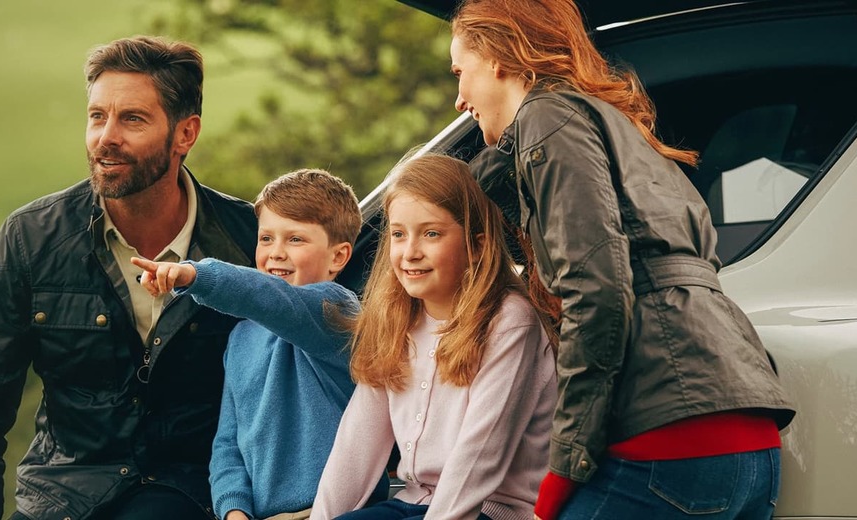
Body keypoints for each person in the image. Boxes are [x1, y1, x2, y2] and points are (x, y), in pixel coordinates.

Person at [447, 1, 798, 518]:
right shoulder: (619, 128)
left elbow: (598, 292)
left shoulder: (548, 116)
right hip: (749, 442)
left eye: (460, 73)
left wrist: (565, 464)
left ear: (498, 57)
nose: (459, 99)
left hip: (665, 446)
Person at [0, 35, 261, 520]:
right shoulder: (30, 239)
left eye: (132, 119)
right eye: (96, 116)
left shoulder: (248, 240)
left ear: (185, 134)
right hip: (62, 496)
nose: (106, 137)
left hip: (198, 495)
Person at [310, 155, 560, 520]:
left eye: (431, 233)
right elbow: (356, 443)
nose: (410, 252)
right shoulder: (398, 320)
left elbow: (479, 455)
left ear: (475, 245)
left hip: (489, 509)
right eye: (398, 234)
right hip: (414, 503)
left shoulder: (508, 321)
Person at [132, 168, 366, 520]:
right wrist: (234, 510)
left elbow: (269, 299)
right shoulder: (242, 337)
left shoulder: (337, 311)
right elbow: (228, 444)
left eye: (296, 240)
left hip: (334, 512)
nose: (276, 253)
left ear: (338, 257)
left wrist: (195, 275)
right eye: (267, 238)